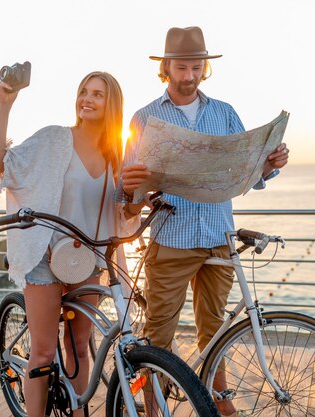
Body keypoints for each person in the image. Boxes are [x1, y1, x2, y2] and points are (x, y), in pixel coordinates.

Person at [119, 26, 290, 417]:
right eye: (182, 67)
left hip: (217, 235)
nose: (190, 75)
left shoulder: (225, 113)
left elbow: (244, 174)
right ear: (167, 68)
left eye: (196, 67)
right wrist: (133, 188)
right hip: (172, 238)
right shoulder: (145, 118)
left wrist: (269, 164)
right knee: (158, 332)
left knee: (214, 331)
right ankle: (153, 408)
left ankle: (220, 406)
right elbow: (131, 183)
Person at [0, 70, 129, 417]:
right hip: (45, 254)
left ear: (112, 104)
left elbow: (121, 212)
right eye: (84, 91)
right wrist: (5, 105)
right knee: (43, 353)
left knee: (80, 347)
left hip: (86, 259)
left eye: (97, 94)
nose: (87, 99)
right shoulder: (55, 139)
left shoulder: (117, 156)